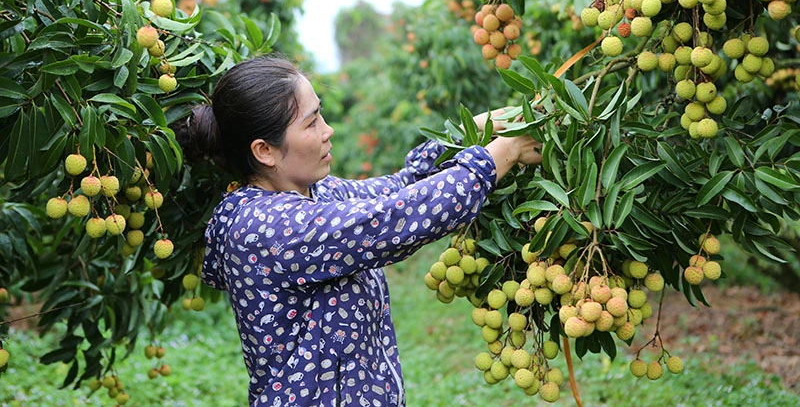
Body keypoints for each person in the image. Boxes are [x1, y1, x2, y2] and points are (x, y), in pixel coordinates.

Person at [176, 55, 541, 406]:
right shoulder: (266, 229)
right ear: (265, 151)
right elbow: (394, 221)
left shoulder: (319, 194)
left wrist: (474, 129)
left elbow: (403, 187)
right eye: (312, 122)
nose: (327, 130)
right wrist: (502, 154)